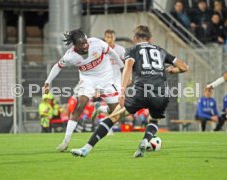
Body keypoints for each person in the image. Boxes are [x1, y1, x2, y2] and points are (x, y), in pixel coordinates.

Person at [70, 25, 189, 158]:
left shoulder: (132, 50)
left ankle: (86, 149)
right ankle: (145, 141)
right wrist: (174, 70)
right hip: (162, 93)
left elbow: (127, 69)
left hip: (141, 91)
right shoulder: (161, 50)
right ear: (150, 39)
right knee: (154, 120)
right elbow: (184, 67)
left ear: (134, 38)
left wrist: (122, 91)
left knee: (114, 117)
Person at [43, 29, 124, 152]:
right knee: (79, 106)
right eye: (82, 44)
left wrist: (123, 68)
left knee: (118, 114)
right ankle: (66, 141)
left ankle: (101, 109)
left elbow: (112, 53)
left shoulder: (96, 43)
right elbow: (57, 66)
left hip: (106, 79)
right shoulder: (70, 56)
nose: (86, 45)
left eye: (86, 42)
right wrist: (47, 82)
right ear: (75, 45)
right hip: (88, 80)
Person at [91, 29, 126, 135]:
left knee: (119, 108)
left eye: (111, 37)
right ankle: (108, 127)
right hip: (105, 82)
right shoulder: (101, 51)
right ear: (105, 38)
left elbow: (127, 65)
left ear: (115, 38)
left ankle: (100, 109)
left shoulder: (121, 50)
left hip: (118, 81)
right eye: (107, 37)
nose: (110, 39)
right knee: (117, 107)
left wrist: (128, 77)